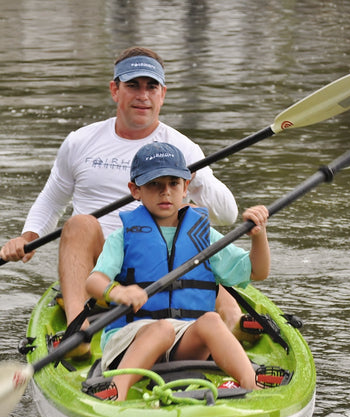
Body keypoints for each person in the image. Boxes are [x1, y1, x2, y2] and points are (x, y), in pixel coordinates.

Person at [0, 47, 241, 358]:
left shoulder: (183, 148)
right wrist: (28, 238)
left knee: (192, 221)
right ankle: (78, 332)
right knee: (79, 223)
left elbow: (228, 215)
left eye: (151, 86)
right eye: (133, 85)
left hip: (167, 269)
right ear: (115, 90)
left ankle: (229, 332)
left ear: (162, 94)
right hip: (102, 272)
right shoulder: (80, 142)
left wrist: (196, 176)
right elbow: (51, 199)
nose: (143, 95)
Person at [85, 142, 271, 401]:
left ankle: (252, 383)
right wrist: (118, 291)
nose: (166, 193)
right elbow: (94, 282)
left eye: (173, 183)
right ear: (135, 190)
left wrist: (258, 236)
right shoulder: (123, 236)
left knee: (212, 321)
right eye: (154, 185)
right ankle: (117, 390)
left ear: (186, 187)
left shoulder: (202, 235)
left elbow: (257, 272)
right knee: (161, 329)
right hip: (128, 341)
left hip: (183, 342)